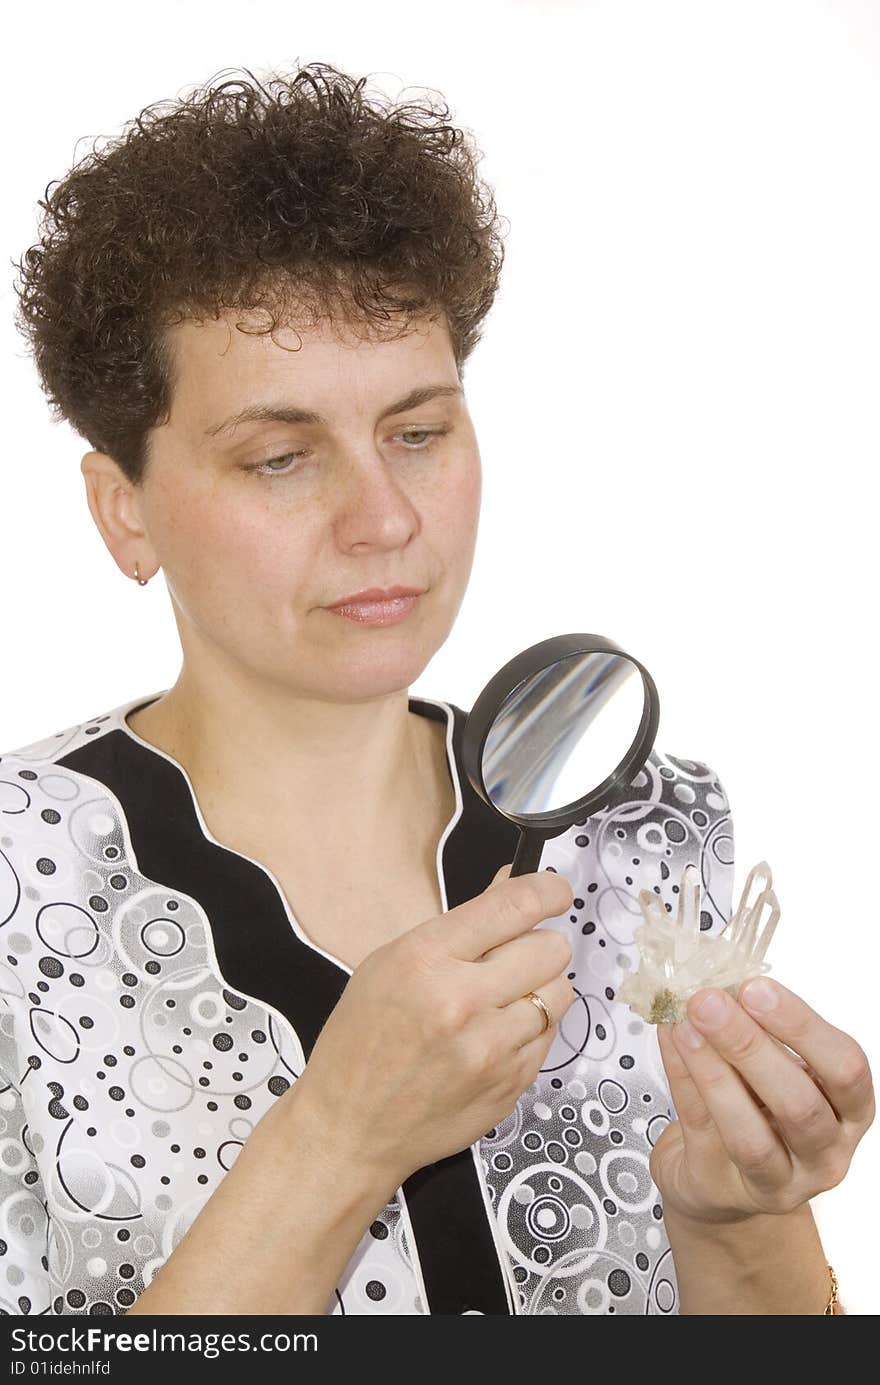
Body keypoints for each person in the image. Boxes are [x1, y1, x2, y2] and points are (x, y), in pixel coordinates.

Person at [1, 62, 871, 1318]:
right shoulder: (24, 888)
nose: (386, 517)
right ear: (122, 509)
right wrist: (337, 1139)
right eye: (282, 456)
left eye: (418, 431)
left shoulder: (640, 827)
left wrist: (736, 1214)